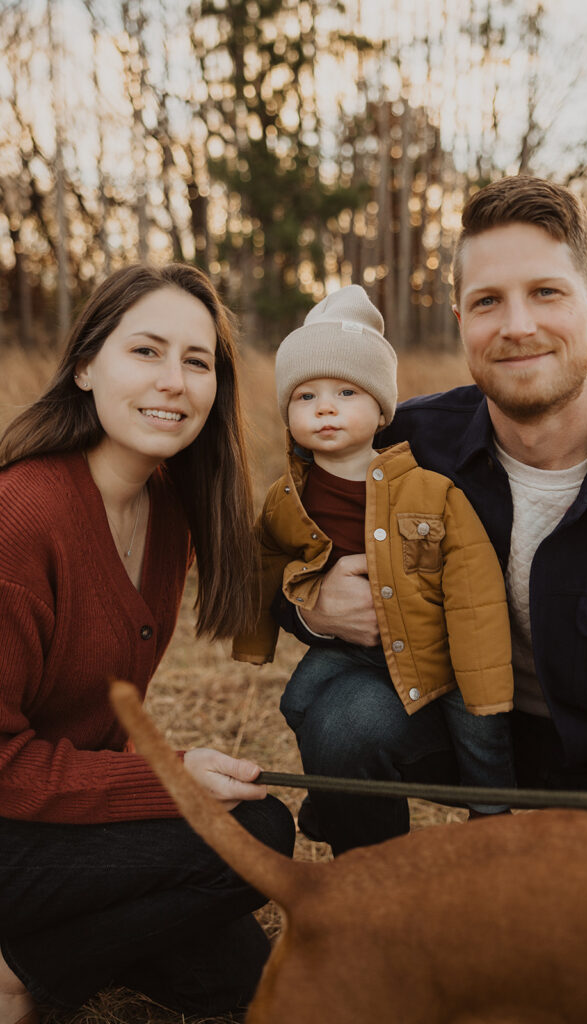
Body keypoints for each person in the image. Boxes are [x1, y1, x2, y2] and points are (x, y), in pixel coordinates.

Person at [276, 175, 587, 837]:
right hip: (445, 720)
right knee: (345, 719)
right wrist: (310, 608)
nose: (517, 327)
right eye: (488, 301)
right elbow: (290, 544)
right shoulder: (399, 447)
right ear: (464, 322)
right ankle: (371, 905)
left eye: (545, 293)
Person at [0, 263, 295, 1024]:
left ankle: (42, 946)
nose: (174, 380)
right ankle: (16, 978)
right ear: (85, 365)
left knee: (238, 981)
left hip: (48, 815)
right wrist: (169, 781)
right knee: (254, 835)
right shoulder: (21, 521)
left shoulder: (167, 511)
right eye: (146, 352)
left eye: (196, 362)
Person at [233, 285, 516, 855]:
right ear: (288, 414)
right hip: (354, 647)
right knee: (297, 701)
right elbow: (266, 562)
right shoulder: (286, 498)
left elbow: (474, 590)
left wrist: (482, 678)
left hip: (440, 652)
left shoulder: (429, 491)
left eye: (345, 391)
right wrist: (270, 624)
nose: (325, 407)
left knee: (483, 736)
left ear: (382, 408)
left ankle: (495, 825)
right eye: (305, 396)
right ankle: (338, 800)